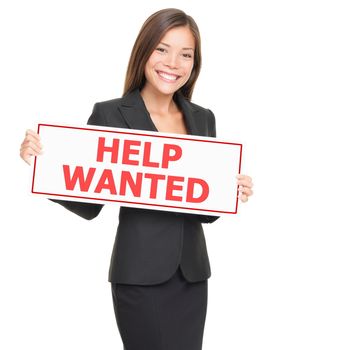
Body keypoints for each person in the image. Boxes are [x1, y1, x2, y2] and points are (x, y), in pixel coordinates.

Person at [20, 8, 254, 350]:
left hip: (192, 276)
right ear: (144, 51)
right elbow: (89, 205)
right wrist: (43, 165)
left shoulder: (203, 118)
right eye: (162, 49)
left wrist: (231, 191)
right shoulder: (110, 113)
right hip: (139, 277)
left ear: (194, 63)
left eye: (185, 54)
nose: (173, 62)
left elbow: (205, 210)